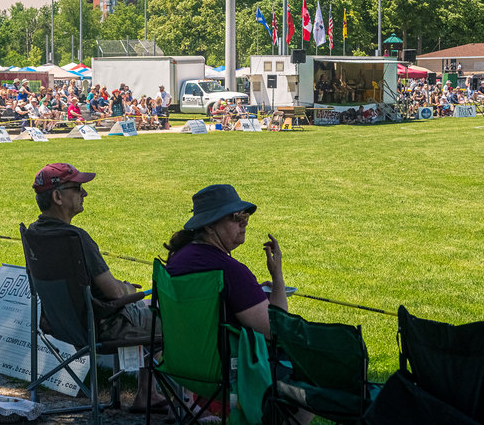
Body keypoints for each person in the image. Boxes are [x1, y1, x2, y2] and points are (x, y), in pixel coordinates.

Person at [23, 163, 163, 413]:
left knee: (147, 310)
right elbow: (115, 293)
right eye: (77, 188)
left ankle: (147, 394)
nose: (84, 194)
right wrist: (130, 289)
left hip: (59, 324)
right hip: (103, 327)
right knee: (172, 315)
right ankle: (174, 399)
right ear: (57, 196)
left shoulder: (34, 234)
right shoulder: (75, 238)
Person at [164, 184, 288, 338]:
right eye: (236, 217)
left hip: (182, 356)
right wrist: (277, 277)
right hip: (226, 359)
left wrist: (250, 291)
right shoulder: (230, 272)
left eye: (244, 216)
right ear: (209, 226)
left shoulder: (179, 257)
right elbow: (276, 331)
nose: (245, 223)